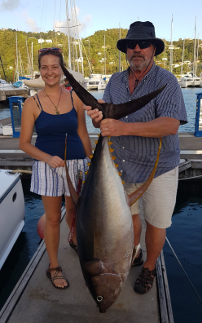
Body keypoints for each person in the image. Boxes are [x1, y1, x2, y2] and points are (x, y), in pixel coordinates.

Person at [84, 21, 187, 294]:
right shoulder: (116, 81)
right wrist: (99, 118)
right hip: (122, 166)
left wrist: (122, 127)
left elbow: (171, 125)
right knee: (128, 217)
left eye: (143, 44)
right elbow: (107, 120)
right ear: (126, 50)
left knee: (156, 222)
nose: (137, 49)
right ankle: (135, 251)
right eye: (132, 45)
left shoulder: (167, 81)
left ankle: (149, 267)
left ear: (153, 48)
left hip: (158, 168)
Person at [20, 48, 92, 289]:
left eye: (54, 66)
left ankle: (73, 239)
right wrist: (48, 158)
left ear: (62, 70)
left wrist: (91, 159)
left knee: (74, 211)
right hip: (47, 166)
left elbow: (82, 132)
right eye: (44, 67)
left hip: (77, 164)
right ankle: (53, 266)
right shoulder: (32, 102)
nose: (49, 72)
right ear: (39, 70)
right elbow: (24, 143)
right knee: (52, 219)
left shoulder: (75, 98)